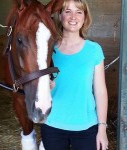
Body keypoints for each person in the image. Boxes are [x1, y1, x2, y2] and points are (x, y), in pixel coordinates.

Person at [40, 0, 109, 150]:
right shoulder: (48, 48)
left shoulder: (94, 50)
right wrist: (45, 86)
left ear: (85, 17)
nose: (73, 17)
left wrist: (102, 129)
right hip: (52, 126)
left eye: (79, 12)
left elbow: (100, 91)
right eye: (67, 11)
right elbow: (37, 84)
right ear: (60, 15)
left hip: (87, 128)